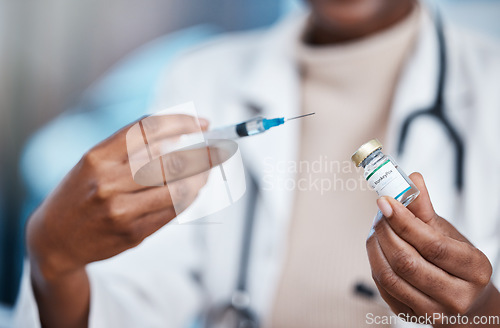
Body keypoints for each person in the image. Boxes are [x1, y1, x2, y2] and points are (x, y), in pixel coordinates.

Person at [14, 0, 500, 327]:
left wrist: (484, 313)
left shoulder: (490, 86)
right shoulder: (202, 76)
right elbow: (127, 302)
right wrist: (53, 262)